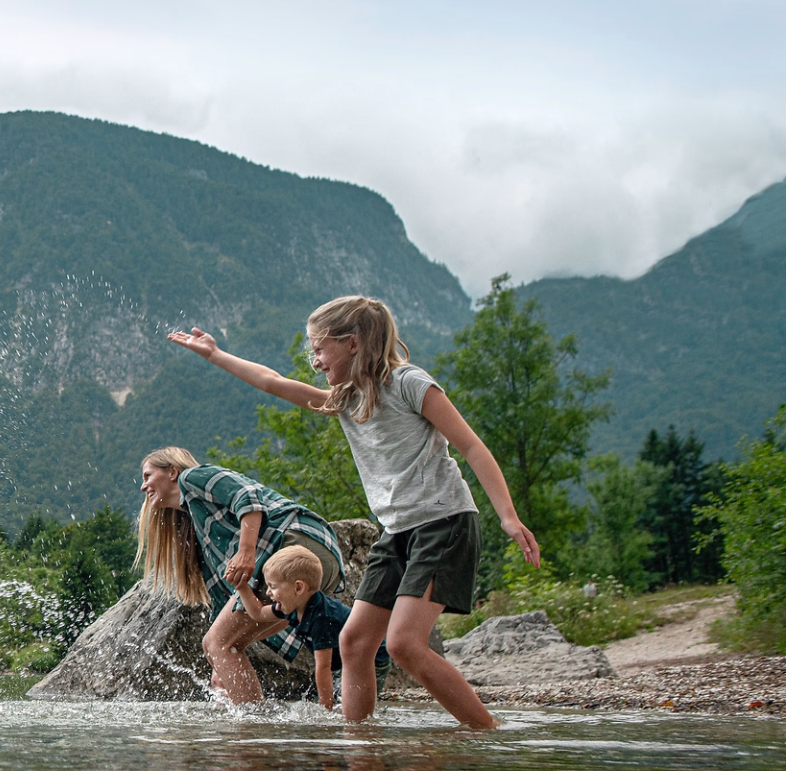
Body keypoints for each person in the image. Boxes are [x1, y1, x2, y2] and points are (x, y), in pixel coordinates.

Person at [167, 295, 541, 730]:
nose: (316, 360)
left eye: (320, 349)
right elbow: (272, 382)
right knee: (355, 641)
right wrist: (216, 355)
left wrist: (508, 516)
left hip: (444, 523)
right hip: (397, 531)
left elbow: (472, 446)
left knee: (403, 644)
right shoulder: (346, 400)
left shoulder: (409, 383)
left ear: (353, 343)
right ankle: (359, 743)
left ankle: (488, 734)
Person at [137, 446, 344, 703]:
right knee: (225, 645)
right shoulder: (198, 526)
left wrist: (246, 552)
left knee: (218, 643)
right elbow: (225, 600)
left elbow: (248, 496)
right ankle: (257, 725)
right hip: (320, 564)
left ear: (172, 472)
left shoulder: (191, 479)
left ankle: (251, 727)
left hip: (296, 545)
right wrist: (218, 663)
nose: (143, 487)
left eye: (147, 476)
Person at [235, 544, 389, 711]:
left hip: (372, 659)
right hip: (344, 661)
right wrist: (242, 587)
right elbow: (258, 613)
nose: (269, 593)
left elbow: (323, 667)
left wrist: (325, 709)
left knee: (354, 706)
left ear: (298, 588)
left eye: (273, 586)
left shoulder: (322, 618)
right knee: (339, 699)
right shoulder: (293, 605)